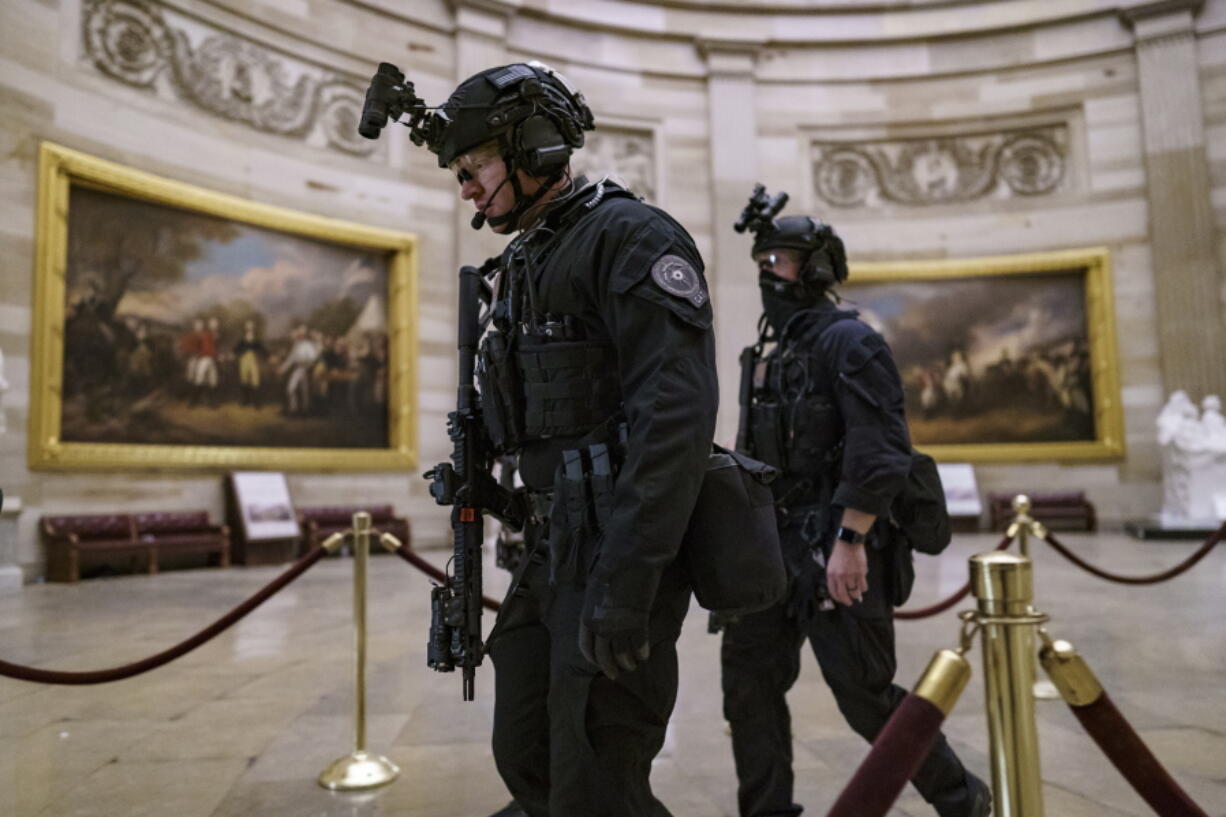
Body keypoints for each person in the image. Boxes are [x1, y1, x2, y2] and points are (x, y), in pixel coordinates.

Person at [370, 60, 718, 816]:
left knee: (594, 767)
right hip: (547, 549)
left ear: (534, 149)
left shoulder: (630, 236)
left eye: (473, 167)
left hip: (615, 550)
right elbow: (545, 418)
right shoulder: (528, 256)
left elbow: (676, 422)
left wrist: (629, 581)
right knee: (525, 748)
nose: (464, 188)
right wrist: (486, 487)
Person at [720, 191, 991, 817]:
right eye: (762, 259)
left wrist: (851, 541)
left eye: (780, 259)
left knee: (864, 695)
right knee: (749, 690)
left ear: (816, 269)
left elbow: (881, 450)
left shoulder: (851, 343)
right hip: (769, 547)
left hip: (836, 539)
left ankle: (963, 799)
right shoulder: (766, 352)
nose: (768, 271)